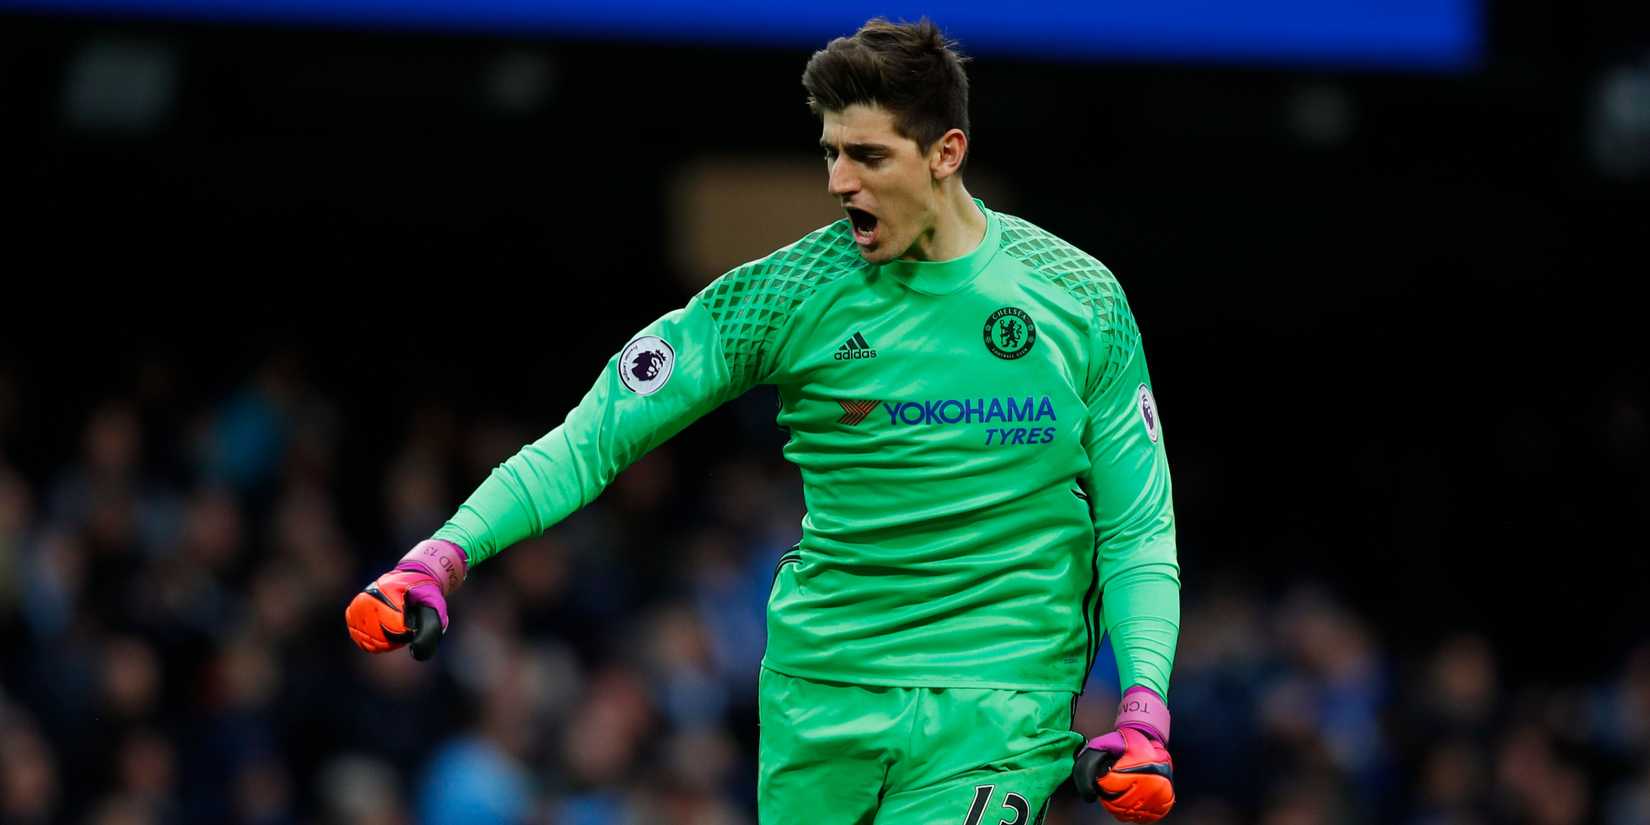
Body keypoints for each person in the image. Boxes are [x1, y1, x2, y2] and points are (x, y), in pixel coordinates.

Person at [346, 17, 1180, 824]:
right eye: (831, 152)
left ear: (945, 155)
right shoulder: (782, 295)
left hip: (1001, 703)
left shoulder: (1080, 301)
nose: (838, 181)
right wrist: (446, 552)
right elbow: (596, 434)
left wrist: (1144, 704)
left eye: (867, 155)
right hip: (819, 693)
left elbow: (1138, 524)